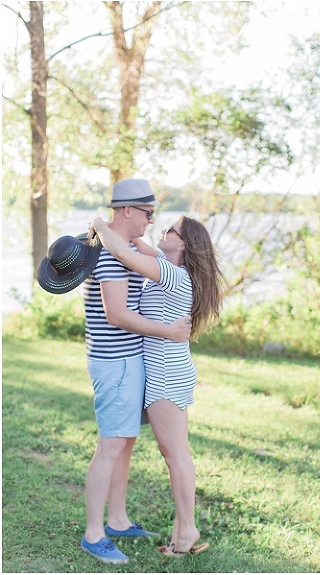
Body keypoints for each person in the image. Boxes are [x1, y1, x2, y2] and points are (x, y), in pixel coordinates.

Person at [40, 178, 192, 564]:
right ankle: (94, 533)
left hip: (129, 360)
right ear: (127, 210)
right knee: (111, 445)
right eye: (147, 213)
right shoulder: (111, 256)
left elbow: (154, 260)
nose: (150, 221)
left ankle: (118, 520)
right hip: (116, 362)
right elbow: (117, 314)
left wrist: (105, 229)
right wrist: (169, 331)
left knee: (125, 442)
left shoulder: (119, 249)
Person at [90, 207, 225, 558]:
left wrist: (100, 224)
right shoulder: (173, 268)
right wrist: (129, 230)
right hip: (172, 369)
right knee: (176, 453)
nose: (162, 232)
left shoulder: (173, 275)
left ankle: (188, 529)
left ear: (185, 246)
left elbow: (121, 252)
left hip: (165, 375)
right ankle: (183, 529)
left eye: (172, 231)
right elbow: (136, 244)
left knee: (175, 454)